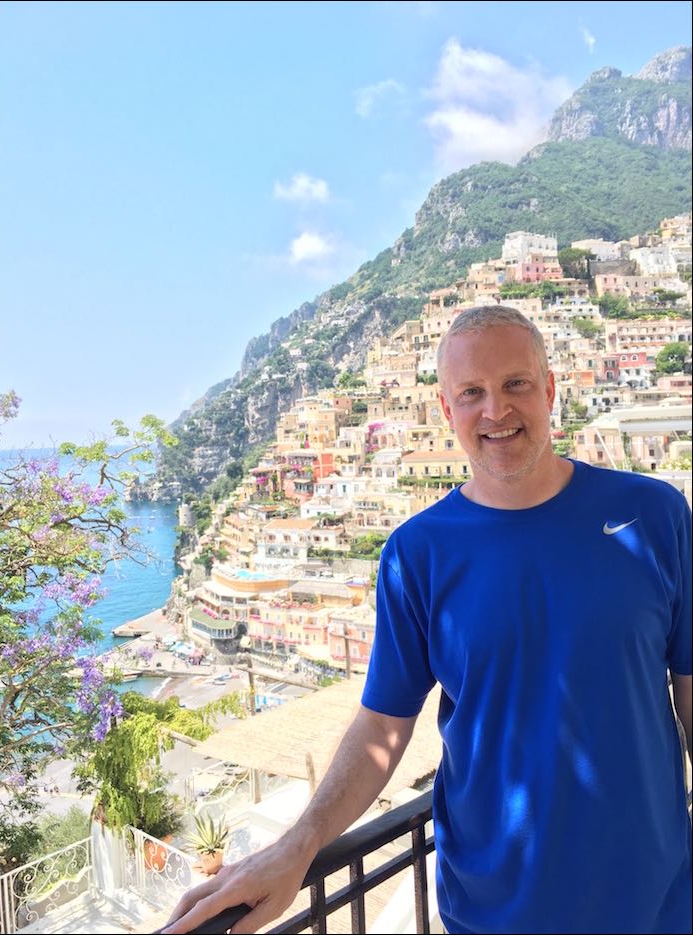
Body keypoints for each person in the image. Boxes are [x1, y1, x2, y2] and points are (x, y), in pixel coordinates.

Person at [163, 306, 691, 934]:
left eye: (515, 384)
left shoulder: (653, 515)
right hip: (491, 913)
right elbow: (383, 728)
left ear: (550, 389)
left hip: (656, 902)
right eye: (472, 393)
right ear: (448, 412)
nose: (495, 410)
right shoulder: (417, 553)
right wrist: (295, 845)